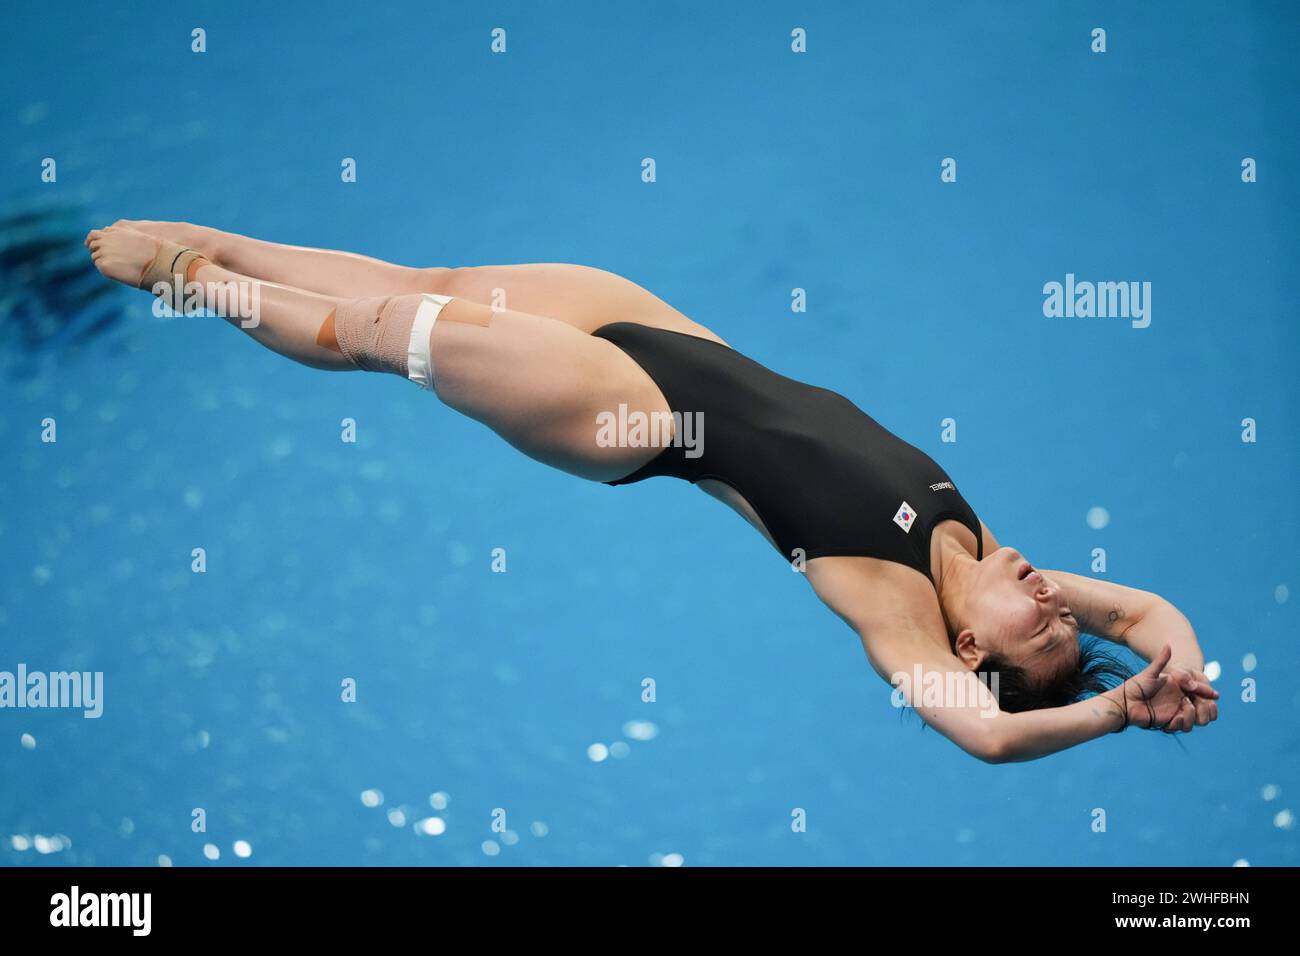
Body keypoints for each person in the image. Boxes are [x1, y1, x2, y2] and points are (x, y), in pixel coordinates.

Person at [85, 221, 1220, 762]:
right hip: (663, 333)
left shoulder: (905, 620)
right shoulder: (985, 557)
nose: (1060, 603)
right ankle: (211, 240)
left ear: (972, 647)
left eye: (1043, 630)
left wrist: (1107, 710)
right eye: (1065, 616)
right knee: (421, 280)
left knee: (387, 332)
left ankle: (190, 285)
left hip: (622, 414)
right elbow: (1143, 613)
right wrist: (1181, 670)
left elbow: (984, 737)